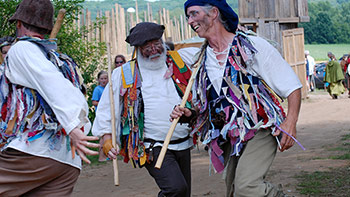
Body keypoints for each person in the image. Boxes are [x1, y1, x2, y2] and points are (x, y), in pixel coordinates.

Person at [170, 1, 302, 196]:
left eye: (194, 14)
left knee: (246, 187)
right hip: (229, 136)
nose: (190, 21)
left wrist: (290, 122)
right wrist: (189, 113)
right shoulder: (202, 58)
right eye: (188, 16)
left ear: (214, 12)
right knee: (233, 191)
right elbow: (208, 104)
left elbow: (292, 86)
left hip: (260, 128)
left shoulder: (251, 46)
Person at [0, 0, 99, 196]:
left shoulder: (22, 49)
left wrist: (72, 127)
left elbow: (55, 86)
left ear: (18, 23)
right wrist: (78, 127)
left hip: (34, 155)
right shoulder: (56, 57)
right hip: (67, 163)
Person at [92, 22, 196, 197]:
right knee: (176, 189)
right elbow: (107, 109)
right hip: (152, 145)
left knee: (184, 193)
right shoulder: (124, 73)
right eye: (147, 47)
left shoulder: (179, 61)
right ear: (137, 49)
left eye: (156, 44)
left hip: (183, 142)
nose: (153, 50)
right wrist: (107, 137)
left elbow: (208, 54)